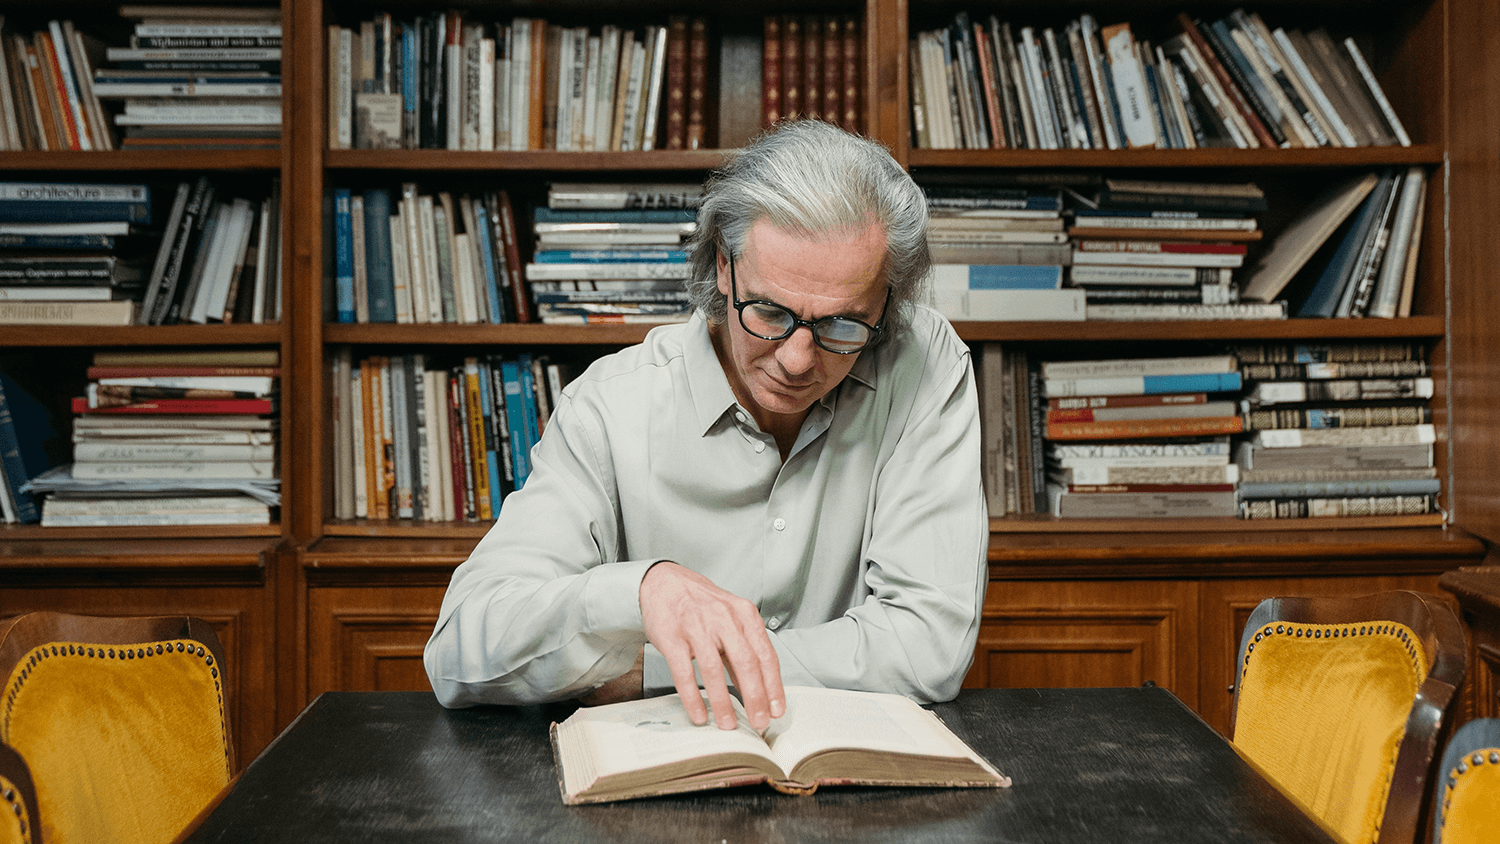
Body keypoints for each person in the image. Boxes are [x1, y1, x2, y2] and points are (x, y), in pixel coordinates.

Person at [423, 120, 988, 732]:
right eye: (769, 311)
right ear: (724, 266)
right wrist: (641, 591)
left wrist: (658, 669)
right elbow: (459, 653)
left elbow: (927, 648)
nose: (798, 360)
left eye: (843, 325)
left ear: (887, 301)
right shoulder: (610, 406)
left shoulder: (923, 365)